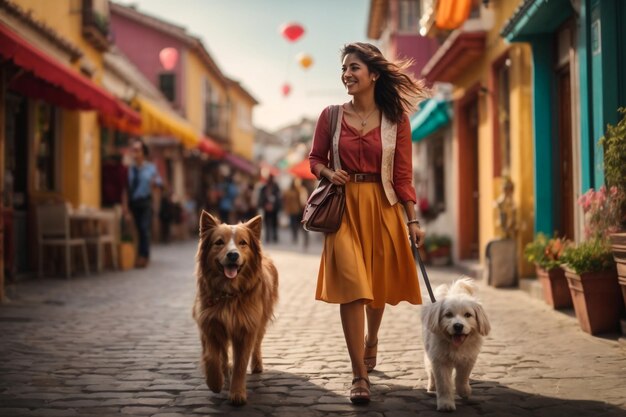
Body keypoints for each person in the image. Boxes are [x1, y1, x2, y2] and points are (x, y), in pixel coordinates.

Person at [308, 42, 428, 404]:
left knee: (374, 285)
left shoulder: (397, 120)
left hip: (383, 206)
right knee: (352, 286)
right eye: (343, 68)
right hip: (343, 208)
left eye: (354, 67)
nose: (346, 74)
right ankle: (359, 375)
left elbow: (403, 175)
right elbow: (314, 158)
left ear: (373, 74)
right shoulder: (330, 115)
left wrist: (413, 221)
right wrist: (329, 172)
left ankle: (372, 339)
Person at [123, 139, 162, 268]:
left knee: (144, 229)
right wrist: (125, 208)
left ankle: (143, 256)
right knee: (135, 230)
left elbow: (159, 184)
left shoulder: (150, 168)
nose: (135, 152)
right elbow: (126, 189)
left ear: (143, 152)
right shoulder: (130, 169)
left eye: (137, 149)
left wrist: (155, 184)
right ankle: (136, 256)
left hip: (145, 202)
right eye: (133, 149)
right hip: (133, 203)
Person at [282, 178, 307, 244]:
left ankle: (302, 238)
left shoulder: (301, 190)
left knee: (299, 225)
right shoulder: (289, 191)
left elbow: (303, 201)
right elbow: (285, 200)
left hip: (300, 211)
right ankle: (295, 236)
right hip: (293, 210)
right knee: (293, 225)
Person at [259, 174, 282, 243]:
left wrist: (274, 206)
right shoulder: (264, 188)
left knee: (274, 223)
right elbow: (261, 198)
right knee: (267, 222)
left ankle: (274, 237)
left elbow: (278, 198)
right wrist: (264, 205)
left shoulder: (276, 188)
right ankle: (268, 237)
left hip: (274, 208)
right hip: (266, 208)